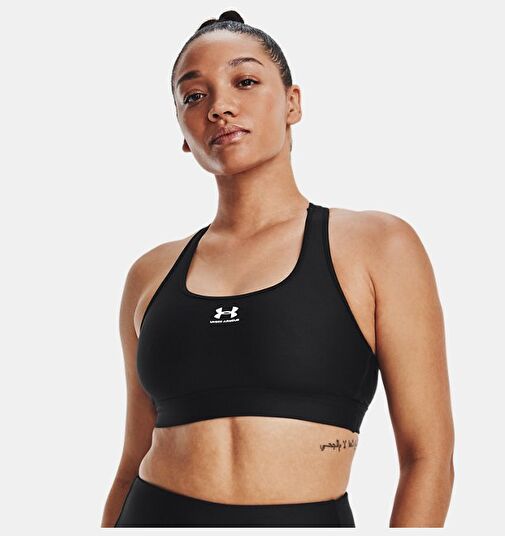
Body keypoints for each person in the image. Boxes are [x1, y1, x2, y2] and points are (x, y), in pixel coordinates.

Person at [101, 10, 455, 527]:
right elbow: (132, 461)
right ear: (182, 132)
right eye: (194, 96)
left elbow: (428, 457)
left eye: (245, 82)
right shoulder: (150, 273)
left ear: (293, 103)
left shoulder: (378, 245)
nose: (219, 107)